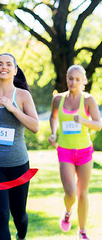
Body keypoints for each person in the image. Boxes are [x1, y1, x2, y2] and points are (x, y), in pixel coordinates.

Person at [0, 53, 39, 240]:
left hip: (18, 165)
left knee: (18, 214)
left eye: (8, 64)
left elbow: (35, 126)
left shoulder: (22, 95)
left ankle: (21, 235)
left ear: (15, 70)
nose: (3, 67)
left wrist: (13, 109)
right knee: (1, 215)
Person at [48, 65, 101, 240]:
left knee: (82, 192)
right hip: (65, 151)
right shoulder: (58, 99)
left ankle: (82, 231)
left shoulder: (88, 100)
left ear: (83, 81)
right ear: (66, 78)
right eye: (70, 78)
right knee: (70, 192)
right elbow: (54, 117)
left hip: (85, 151)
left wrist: (83, 120)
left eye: (77, 79)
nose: (73, 82)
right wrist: (53, 133)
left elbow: (98, 124)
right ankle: (68, 211)